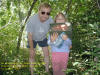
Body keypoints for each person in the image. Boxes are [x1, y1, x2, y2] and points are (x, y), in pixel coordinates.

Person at [26, 3, 53, 75]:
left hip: (43, 38)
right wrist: (32, 49)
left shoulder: (50, 19)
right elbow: (30, 35)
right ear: (38, 11)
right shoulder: (32, 20)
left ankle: (47, 71)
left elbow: (53, 31)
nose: (45, 15)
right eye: (43, 12)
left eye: (48, 13)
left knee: (47, 53)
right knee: (32, 55)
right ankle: (32, 72)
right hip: (32, 38)